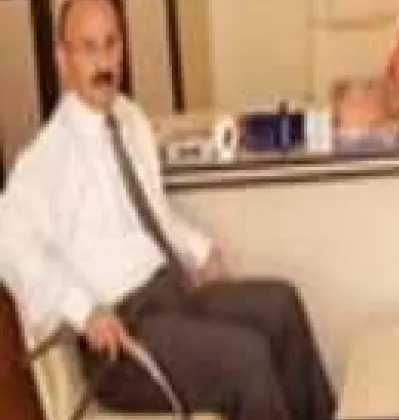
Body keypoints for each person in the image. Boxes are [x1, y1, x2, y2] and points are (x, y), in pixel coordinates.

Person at [0, 1, 335, 419]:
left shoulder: (130, 119)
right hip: (123, 338)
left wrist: (199, 250)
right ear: (62, 60)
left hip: (172, 295)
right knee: (246, 358)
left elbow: (154, 213)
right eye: (88, 48)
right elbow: (8, 242)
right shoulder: (46, 159)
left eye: (111, 44)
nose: (103, 62)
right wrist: (83, 310)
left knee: (281, 306)